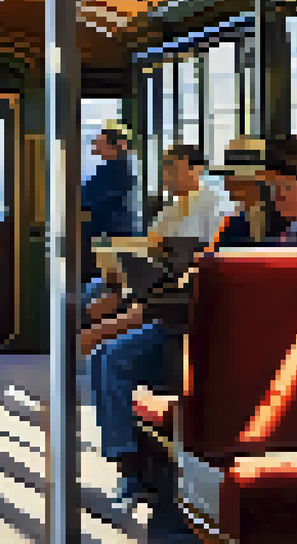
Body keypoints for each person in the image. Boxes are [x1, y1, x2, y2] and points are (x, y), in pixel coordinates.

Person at [83, 143, 230, 510]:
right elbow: (150, 255)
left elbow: (196, 271)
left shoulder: (215, 210)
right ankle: (126, 462)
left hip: (186, 315)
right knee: (101, 351)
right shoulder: (168, 211)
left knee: (111, 355)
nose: (165, 175)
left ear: (195, 170)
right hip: (164, 299)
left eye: (172, 167)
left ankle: (132, 469)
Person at [81, 122, 137, 282]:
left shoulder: (118, 170)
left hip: (112, 237)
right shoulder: (115, 167)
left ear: (116, 146)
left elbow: (88, 198)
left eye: (100, 141)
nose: (95, 144)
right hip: (112, 235)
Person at [208, 136, 287, 246]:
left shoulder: (285, 222)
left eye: (235, 179)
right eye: (227, 177)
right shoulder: (233, 227)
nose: (227, 185)